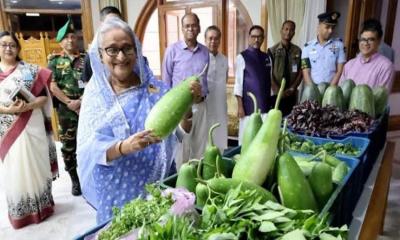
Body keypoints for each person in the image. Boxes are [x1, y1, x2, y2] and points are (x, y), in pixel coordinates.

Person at [76, 17, 202, 223]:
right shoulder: (96, 95)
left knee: (161, 231)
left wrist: (188, 106)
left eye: (127, 48)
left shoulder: (157, 89)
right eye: (112, 49)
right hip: (116, 189)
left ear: (137, 50)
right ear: (100, 55)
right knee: (122, 231)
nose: (121, 56)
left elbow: (181, 131)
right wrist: (124, 147)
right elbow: (89, 149)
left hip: (158, 183)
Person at [0, 31, 57, 229]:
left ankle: (43, 206)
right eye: (4, 45)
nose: (8, 48)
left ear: (18, 48)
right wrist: (8, 109)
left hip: (32, 123)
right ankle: (22, 213)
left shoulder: (30, 71)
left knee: (37, 165)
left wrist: (27, 106)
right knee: (16, 169)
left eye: (12, 45)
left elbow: (43, 98)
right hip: (8, 128)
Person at [162, 13, 209, 169]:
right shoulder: (172, 50)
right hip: (180, 108)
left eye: (194, 25)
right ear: (182, 28)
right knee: (181, 147)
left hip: (201, 106)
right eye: (187, 26)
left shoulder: (205, 51)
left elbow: (205, 79)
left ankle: (198, 182)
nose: (191, 28)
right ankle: (182, 185)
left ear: (199, 28)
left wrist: (201, 94)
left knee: (200, 146)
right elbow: (166, 82)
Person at [48, 18, 85, 196]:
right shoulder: (54, 62)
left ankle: (89, 175)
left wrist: (82, 101)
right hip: (65, 111)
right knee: (68, 146)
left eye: (73, 36)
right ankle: (75, 179)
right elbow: (52, 86)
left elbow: (94, 82)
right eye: (66, 37)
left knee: (89, 142)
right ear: (61, 41)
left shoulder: (86, 60)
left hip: (87, 107)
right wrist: (70, 103)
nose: (70, 40)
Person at [233, 25, 272, 143]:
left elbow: (269, 82)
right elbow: (238, 83)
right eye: (254, 37)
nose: (256, 40)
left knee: (262, 141)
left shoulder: (267, 57)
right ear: (249, 38)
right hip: (248, 107)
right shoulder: (242, 57)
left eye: (259, 37)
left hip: (265, 106)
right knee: (246, 140)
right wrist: (240, 106)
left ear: (263, 38)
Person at [339, 19, 394, 91]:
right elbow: (340, 92)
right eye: (363, 39)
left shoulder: (386, 66)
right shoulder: (349, 65)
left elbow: (381, 98)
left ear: (379, 41)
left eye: (371, 39)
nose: (365, 43)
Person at [301, 12, 346, 85]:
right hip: (313, 88)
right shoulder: (307, 47)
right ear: (319, 26)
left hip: (332, 88)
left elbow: (340, 70)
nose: (331, 31)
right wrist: (313, 90)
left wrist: (330, 90)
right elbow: (306, 72)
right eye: (327, 27)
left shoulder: (339, 45)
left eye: (333, 28)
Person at [268, 20, 302, 116]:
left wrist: (293, 88)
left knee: (290, 120)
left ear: (294, 33)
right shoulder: (272, 51)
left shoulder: (298, 51)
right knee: (275, 120)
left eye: (291, 30)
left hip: (292, 94)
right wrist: (278, 91)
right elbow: (269, 73)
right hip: (276, 94)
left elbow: (301, 72)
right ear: (281, 30)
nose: (288, 32)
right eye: (286, 29)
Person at [81, 6, 122, 82]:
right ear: (102, 25)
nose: (114, 26)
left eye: (117, 22)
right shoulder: (92, 55)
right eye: (110, 22)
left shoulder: (131, 50)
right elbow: (84, 82)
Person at [204, 25, 228, 151]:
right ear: (205, 39)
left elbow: (225, 80)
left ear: (220, 40)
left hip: (220, 106)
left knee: (219, 135)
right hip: (205, 105)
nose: (213, 41)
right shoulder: (200, 58)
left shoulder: (224, 59)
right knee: (205, 139)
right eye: (210, 38)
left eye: (216, 38)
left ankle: (219, 161)